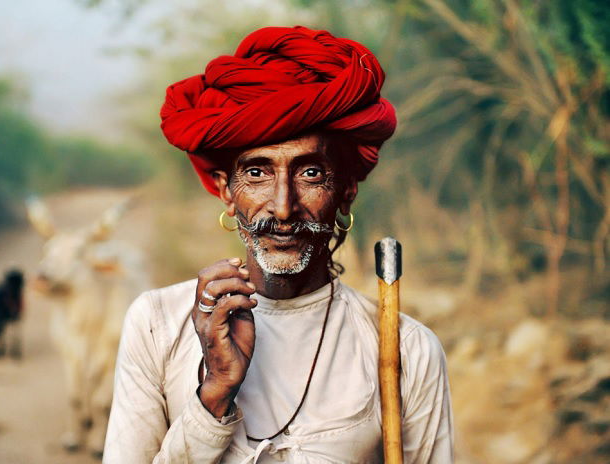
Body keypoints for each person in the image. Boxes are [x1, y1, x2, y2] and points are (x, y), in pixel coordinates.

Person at [103, 26, 453, 463]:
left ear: (345, 190)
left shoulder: (406, 349)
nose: (283, 208)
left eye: (310, 174)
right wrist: (214, 394)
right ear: (226, 191)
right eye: (257, 173)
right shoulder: (157, 325)